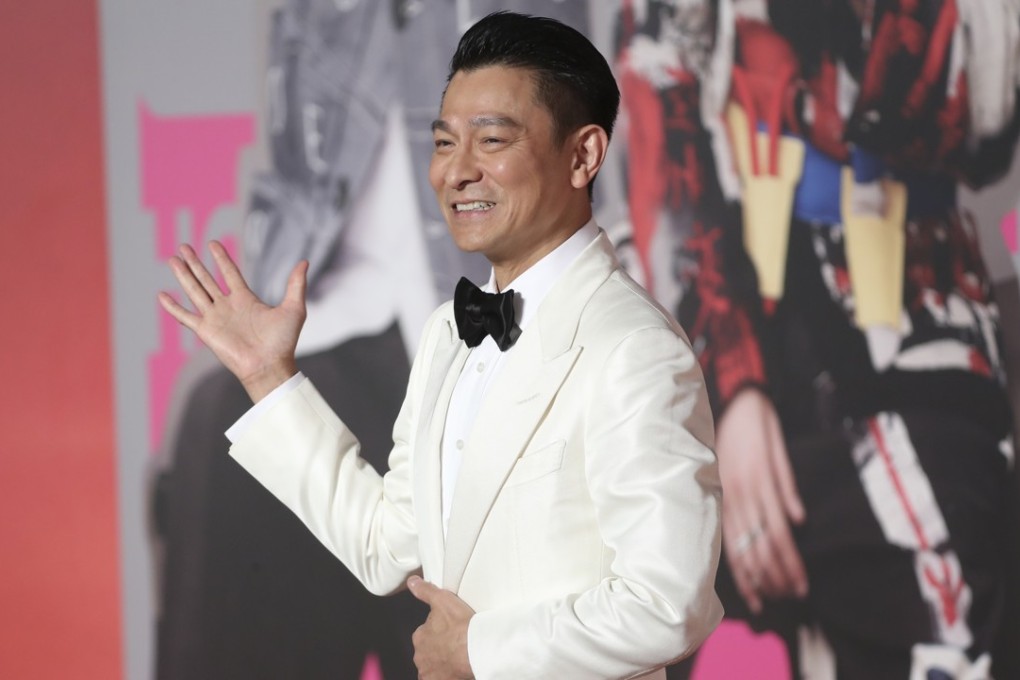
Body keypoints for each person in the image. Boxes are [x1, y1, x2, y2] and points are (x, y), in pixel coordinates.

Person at [159, 11, 723, 680]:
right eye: (443, 142)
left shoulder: (634, 348)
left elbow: (668, 605)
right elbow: (384, 547)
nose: (456, 172)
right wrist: (267, 377)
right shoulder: (447, 335)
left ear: (584, 155)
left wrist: (477, 650)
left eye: (492, 140)